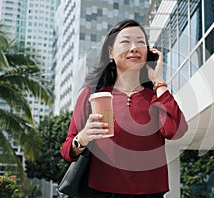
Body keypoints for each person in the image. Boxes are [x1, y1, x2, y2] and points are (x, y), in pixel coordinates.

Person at [61, 19, 188, 198]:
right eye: (126, 41)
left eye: (140, 42)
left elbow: (176, 131)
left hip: (150, 193)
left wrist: (158, 82)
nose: (134, 47)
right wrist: (83, 137)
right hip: (100, 193)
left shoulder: (156, 96)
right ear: (111, 52)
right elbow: (67, 151)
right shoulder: (92, 94)